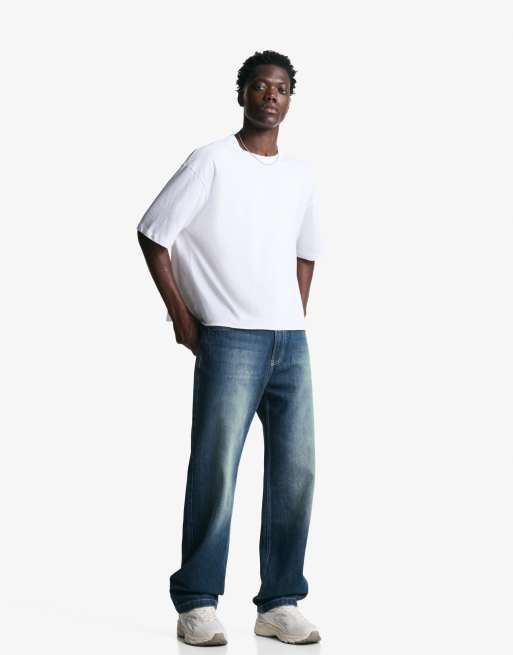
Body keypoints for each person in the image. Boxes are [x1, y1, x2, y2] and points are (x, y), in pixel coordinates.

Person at [137, 49, 322, 646]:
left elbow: (306, 253)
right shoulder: (211, 162)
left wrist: (291, 313)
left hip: (289, 342)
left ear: (290, 100)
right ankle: (196, 601)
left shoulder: (299, 176)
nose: (271, 96)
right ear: (242, 92)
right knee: (215, 467)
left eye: (282, 88)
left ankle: (280, 602)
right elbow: (153, 232)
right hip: (228, 336)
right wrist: (182, 317)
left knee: (296, 472)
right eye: (261, 85)